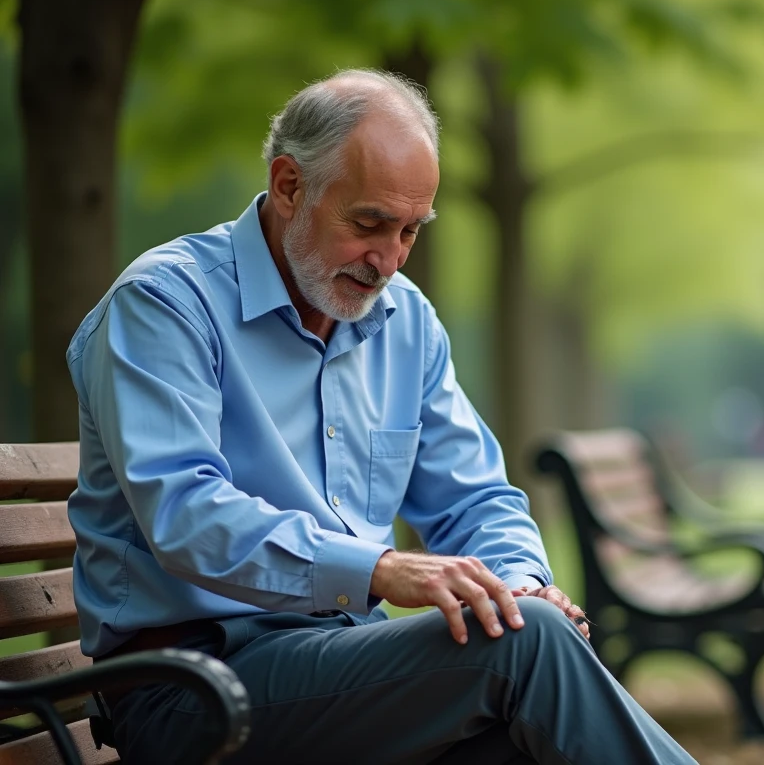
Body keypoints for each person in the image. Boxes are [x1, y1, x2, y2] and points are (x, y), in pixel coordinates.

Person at [67, 68, 697, 765]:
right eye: (368, 224)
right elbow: (185, 514)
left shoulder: (407, 322)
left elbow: (475, 499)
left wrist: (517, 582)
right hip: (191, 690)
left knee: (531, 702)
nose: (388, 260)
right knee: (530, 649)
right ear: (289, 185)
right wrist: (381, 570)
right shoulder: (164, 304)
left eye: (410, 232)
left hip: (345, 667)